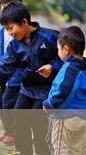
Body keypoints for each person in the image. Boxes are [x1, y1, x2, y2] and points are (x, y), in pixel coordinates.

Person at [0, 2, 63, 155]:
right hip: (26, 90)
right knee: (19, 127)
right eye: (6, 29)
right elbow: (4, 69)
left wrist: (52, 66)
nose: (9, 33)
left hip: (46, 92)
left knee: (40, 129)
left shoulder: (50, 36)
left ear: (24, 22)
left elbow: (66, 59)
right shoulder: (15, 46)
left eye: (11, 28)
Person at [43, 26, 86, 155]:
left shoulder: (70, 68)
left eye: (58, 49)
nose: (58, 52)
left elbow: (64, 91)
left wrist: (49, 105)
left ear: (66, 49)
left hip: (65, 118)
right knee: (76, 150)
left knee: (61, 149)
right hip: (82, 118)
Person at [0, 0, 23, 145]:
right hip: (3, 74)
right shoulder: (1, 32)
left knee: (10, 102)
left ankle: (15, 133)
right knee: (1, 102)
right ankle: (8, 131)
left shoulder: (22, 31)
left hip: (17, 76)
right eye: (3, 10)